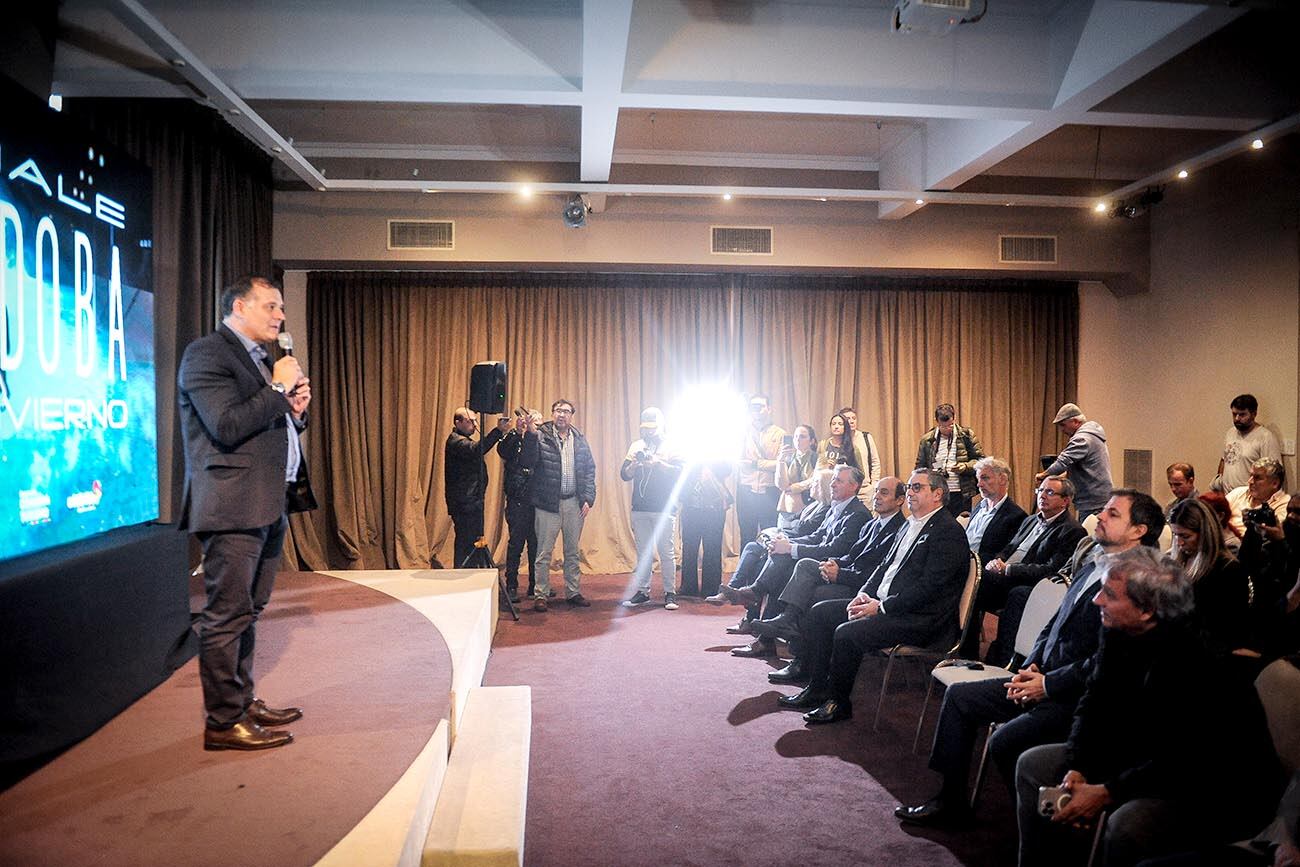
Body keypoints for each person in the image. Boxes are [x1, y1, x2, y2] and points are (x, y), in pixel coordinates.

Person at [896, 490, 1162, 827]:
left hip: (1077, 696)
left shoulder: (1137, 583)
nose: (1101, 516)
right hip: (1041, 677)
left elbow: (1107, 662)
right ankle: (951, 802)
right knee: (961, 697)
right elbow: (1055, 621)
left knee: (1008, 741)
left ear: (1139, 531)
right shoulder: (1095, 561)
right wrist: (1032, 664)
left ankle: (1047, 823)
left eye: (1113, 513)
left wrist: (1048, 684)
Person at [1015, 548, 1281, 867]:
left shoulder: (1197, 661)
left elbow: (1182, 760)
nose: (1097, 600)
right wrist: (1078, 765)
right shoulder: (1118, 632)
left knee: (1129, 824)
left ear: (1146, 610)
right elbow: (1094, 704)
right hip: (1145, 756)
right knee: (1034, 765)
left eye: (1109, 594)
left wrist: (1106, 791)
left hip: (1215, 788)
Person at [177, 275, 316, 751]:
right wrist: (277, 390)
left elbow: (261, 422)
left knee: (249, 610)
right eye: (271, 306)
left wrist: (292, 410)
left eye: (280, 308)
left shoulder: (257, 361)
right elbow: (227, 424)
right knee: (226, 615)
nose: (280, 315)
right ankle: (222, 722)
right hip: (231, 506)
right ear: (239, 306)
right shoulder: (207, 354)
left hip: (265, 502)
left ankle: (242, 700)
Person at [779, 469, 970, 723]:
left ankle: (838, 702)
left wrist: (881, 608)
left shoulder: (947, 531)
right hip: (885, 604)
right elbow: (883, 568)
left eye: (917, 488)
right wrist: (862, 595)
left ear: (938, 494)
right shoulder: (911, 524)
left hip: (920, 619)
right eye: (909, 487)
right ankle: (816, 689)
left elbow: (930, 588)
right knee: (821, 612)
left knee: (847, 632)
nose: (910, 492)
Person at [753, 476, 908, 668]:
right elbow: (851, 556)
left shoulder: (899, 529)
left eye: (884, 493)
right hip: (847, 575)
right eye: (876, 491)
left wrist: (840, 574)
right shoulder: (873, 524)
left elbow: (878, 573)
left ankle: (801, 661)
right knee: (805, 564)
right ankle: (786, 619)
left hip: (861, 588)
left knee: (813, 594)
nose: (876, 496)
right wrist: (832, 564)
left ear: (900, 500)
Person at [719, 465, 870, 635]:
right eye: (833, 479)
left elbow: (835, 549)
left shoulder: (857, 514)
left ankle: (758, 605)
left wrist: (791, 548)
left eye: (839, 481)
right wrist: (784, 543)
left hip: (832, 564)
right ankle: (759, 615)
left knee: (783, 562)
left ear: (854, 486)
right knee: (773, 554)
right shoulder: (837, 506)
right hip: (819, 556)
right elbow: (815, 536)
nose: (832, 484)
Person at [981, 476, 1087, 664]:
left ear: (1065, 501)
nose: (1042, 496)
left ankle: (1003, 660)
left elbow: (1050, 569)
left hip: (1028, 583)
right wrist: (997, 560)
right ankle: (963, 643)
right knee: (974, 579)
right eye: (1040, 490)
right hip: (1004, 575)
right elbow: (1009, 547)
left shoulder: (1072, 530)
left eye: (1050, 492)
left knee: (1016, 595)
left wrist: (1009, 569)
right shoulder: (1030, 520)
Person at [522, 398, 596, 611]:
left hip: (574, 503)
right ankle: (541, 594)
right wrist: (529, 433)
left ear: (572, 415)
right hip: (547, 504)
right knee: (544, 552)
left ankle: (573, 592)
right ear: (552, 413)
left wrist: (588, 498)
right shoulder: (540, 435)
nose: (562, 414)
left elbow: (590, 469)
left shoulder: (580, 439)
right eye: (558, 410)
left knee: (572, 551)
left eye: (566, 411)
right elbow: (527, 462)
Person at [1167, 497, 1251, 654]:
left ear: (1205, 533)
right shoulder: (1177, 563)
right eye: (1175, 535)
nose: (1179, 543)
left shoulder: (1228, 570)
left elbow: (1225, 627)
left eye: (1185, 536)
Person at [621, 407, 684, 609]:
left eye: (653, 427)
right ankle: (642, 591)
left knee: (666, 552)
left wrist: (658, 463)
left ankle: (670, 593)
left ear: (661, 425)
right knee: (643, 552)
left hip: (664, 507)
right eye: (646, 428)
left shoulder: (672, 445)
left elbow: (680, 473)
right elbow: (624, 474)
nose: (649, 431)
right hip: (640, 506)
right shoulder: (636, 446)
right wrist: (634, 466)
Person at [445, 406, 509, 568]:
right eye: (470, 421)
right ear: (458, 422)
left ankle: (471, 572)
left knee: (472, 540)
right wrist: (497, 431)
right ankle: (463, 573)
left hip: (471, 500)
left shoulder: (463, 439)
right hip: (464, 503)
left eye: (475, 420)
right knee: (466, 543)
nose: (475, 424)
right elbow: (476, 450)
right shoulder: (455, 440)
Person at [1037, 403, 1113, 520]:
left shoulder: (1082, 439)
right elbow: (1076, 470)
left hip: (1093, 502)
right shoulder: (1092, 437)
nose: (1062, 430)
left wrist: (1044, 475)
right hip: (1097, 499)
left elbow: (1063, 461)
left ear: (1076, 421)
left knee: (1090, 535)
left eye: (1063, 425)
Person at [497, 408, 542, 602]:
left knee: (536, 544)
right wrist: (516, 432)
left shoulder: (542, 440)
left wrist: (533, 433)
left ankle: (535, 585)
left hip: (537, 499)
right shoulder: (513, 439)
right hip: (517, 499)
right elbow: (502, 451)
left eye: (537, 424)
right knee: (516, 543)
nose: (533, 426)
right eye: (531, 422)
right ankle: (512, 585)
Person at [916, 403, 986, 515]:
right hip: (937, 493)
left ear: (954, 418)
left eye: (951, 425)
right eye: (944, 426)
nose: (948, 429)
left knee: (961, 525)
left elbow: (981, 461)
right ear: (937, 421)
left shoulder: (966, 435)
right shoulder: (928, 440)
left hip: (961, 493)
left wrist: (965, 467)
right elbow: (920, 467)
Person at [736, 393, 785, 545]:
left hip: (770, 491)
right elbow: (738, 460)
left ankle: (767, 569)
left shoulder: (780, 433)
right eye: (753, 407)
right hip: (746, 489)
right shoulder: (742, 432)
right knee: (746, 536)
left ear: (769, 409)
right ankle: (746, 569)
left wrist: (755, 464)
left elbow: (781, 464)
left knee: (770, 536)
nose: (756, 410)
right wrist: (764, 464)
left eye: (760, 406)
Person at [678, 462, 732, 599]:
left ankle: (712, 587)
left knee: (713, 548)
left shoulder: (721, 448)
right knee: (689, 547)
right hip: (691, 505)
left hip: (716, 506)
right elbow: (680, 470)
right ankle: (688, 587)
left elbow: (727, 469)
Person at [964, 457, 1027, 569]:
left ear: (1002, 479)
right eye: (978, 479)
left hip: (982, 571)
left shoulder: (1016, 516)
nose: (979, 485)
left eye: (985, 478)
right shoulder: (979, 506)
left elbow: (1004, 555)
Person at [1214, 394, 1282, 493]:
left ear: (1254, 414)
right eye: (1234, 414)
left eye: (1242, 415)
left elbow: (1275, 474)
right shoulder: (1230, 433)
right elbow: (1224, 460)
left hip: (1249, 499)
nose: (1237, 418)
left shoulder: (1266, 437)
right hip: (1228, 497)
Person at [776, 424, 818, 530]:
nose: (798, 439)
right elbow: (782, 485)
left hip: (808, 507)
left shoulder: (817, 458)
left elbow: (817, 479)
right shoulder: (787, 458)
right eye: (795, 436)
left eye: (803, 436)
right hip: (788, 507)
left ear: (812, 441)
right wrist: (780, 461)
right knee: (781, 539)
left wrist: (795, 487)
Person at [838, 406, 883, 496]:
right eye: (847, 419)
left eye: (853, 418)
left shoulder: (866, 437)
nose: (851, 421)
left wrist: (874, 485)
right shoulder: (838, 440)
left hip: (866, 488)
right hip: (846, 491)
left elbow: (875, 462)